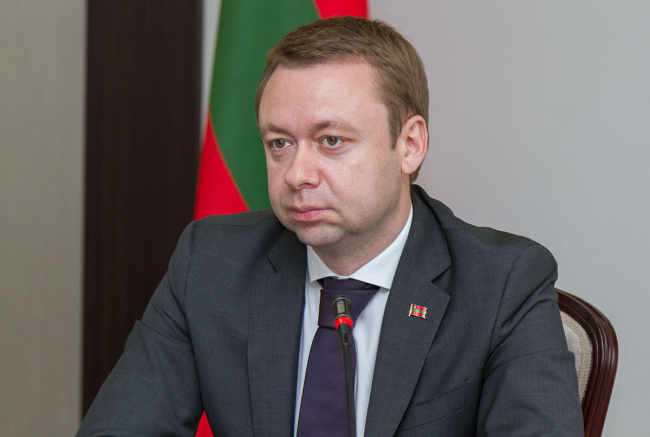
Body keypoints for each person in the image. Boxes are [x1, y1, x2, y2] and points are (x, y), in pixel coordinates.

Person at [78, 17, 583, 436]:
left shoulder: (502, 283)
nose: (297, 174)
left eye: (331, 141)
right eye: (280, 143)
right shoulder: (210, 264)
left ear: (409, 145)